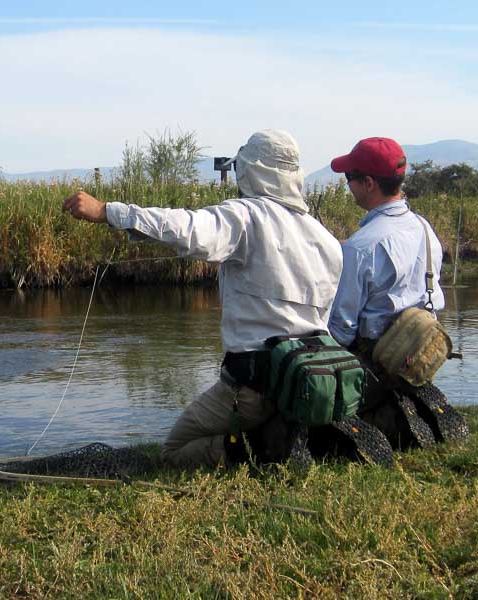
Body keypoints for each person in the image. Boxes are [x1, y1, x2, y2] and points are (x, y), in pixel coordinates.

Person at [62, 130, 343, 469]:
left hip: (252, 389)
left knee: (175, 450)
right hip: (310, 386)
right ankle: (283, 435)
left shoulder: (245, 216)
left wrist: (108, 211)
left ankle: (261, 451)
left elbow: (185, 228)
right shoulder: (327, 240)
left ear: (251, 170)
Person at [327, 137, 445, 354]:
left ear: (369, 183)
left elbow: (340, 332)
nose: (347, 184)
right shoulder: (424, 228)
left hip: (374, 364)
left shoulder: (359, 248)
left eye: (349, 176)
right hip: (420, 356)